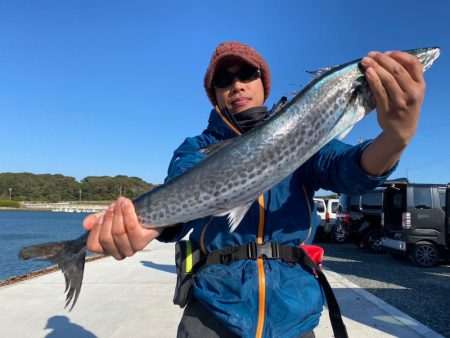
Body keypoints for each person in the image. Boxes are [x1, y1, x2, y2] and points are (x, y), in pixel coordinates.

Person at [83, 41, 426, 337]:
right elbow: (182, 196)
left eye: (246, 74)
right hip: (213, 310)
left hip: (293, 311)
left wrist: (396, 138)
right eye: (223, 79)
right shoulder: (196, 148)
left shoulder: (301, 131)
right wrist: (147, 226)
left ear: (264, 83)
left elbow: (347, 170)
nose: (236, 85)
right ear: (214, 94)